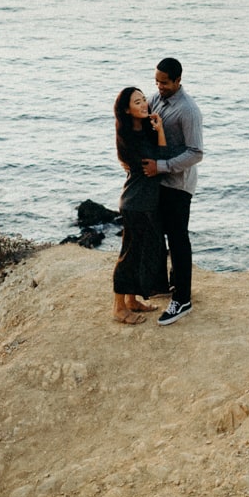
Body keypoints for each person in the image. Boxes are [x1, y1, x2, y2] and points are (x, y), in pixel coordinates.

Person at [141, 57, 203, 325]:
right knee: (161, 236)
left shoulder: (188, 110)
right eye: (156, 81)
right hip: (159, 181)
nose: (159, 86)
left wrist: (162, 166)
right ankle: (171, 285)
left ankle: (183, 299)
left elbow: (195, 153)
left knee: (178, 239)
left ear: (178, 81)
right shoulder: (156, 99)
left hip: (178, 184)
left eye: (164, 82)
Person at [111, 85, 178, 323]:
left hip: (146, 201)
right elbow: (159, 162)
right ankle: (119, 308)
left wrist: (158, 130)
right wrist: (160, 133)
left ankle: (131, 300)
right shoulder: (129, 137)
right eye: (137, 102)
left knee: (141, 253)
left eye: (143, 100)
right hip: (135, 202)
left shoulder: (145, 131)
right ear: (126, 110)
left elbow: (163, 159)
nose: (143, 105)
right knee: (129, 255)